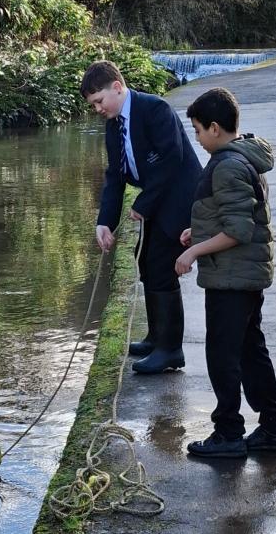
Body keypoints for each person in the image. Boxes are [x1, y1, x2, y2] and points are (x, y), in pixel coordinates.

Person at [175, 87, 276, 457]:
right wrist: (200, 231)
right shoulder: (244, 157)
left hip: (232, 278)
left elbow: (239, 231)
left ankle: (228, 433)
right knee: (250, 351)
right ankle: (274, 428)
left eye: (196, 130)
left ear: (213, 127)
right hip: (245, 276)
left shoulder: (227, 164)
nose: (196, 138)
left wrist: (193, 251)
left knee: (223, 356)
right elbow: (240, 216)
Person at [80, 61, 201, 374]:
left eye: (99, 101)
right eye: (92, 104)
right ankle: (155, 337)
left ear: (117, 88)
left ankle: (171, 350)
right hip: (157, 198)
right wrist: (103, 221)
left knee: (162, 268)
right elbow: (114, 176)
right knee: (145, 262)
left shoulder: (155, 109)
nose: (97, 109)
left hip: (179, 197)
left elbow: (171, 159)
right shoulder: (113, 125)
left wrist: (143, 203)